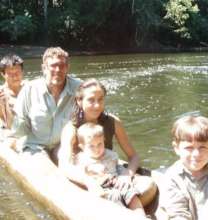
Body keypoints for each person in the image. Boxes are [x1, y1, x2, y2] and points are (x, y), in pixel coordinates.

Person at [58, 78, 157, 208]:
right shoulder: (71, 129)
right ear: (79, 101)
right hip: (86, 179)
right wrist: (89, 182)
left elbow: (134, 156)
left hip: (112, 176)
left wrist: (127, 176)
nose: (97, 105)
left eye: (100, 99)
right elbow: (64, 166)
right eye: (91, 100)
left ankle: (121, 207)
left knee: (149, 185)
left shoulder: (113, 122)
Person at [9, 47, 81, 159]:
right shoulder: (29, 89)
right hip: (36, 146)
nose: (57, 70)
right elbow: (19, 126)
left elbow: (90, 117)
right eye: (53, 66)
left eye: (62, 66)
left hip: (65, 145)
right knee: (43, 170)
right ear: (44, 68)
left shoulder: (79, 88)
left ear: (67, 68)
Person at [75, 122, 147, 217]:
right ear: (82, 147)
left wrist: (124, 176)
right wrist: (90, 170)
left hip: (116, 182)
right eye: (91, 146)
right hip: (101, 188)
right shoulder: (82, 159)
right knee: (113, 196)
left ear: (104, 141)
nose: (97, 149)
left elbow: (118, 167)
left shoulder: (111, 155)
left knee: (130, 192)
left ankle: (141, 216)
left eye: (99, 144)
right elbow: (78, 173)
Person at [158, 115, 208, 220]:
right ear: (176, 148)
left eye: (203, 147)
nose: (196, 154)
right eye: (189, 148)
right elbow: (178, 214)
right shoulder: (172, 178)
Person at [0, 54, 25, 129]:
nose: (15, 77)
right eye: (10, 74)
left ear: (22, 71)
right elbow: (8, 125)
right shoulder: (1, 94)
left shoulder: (30, 89)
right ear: (3, 74)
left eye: (17, 72)